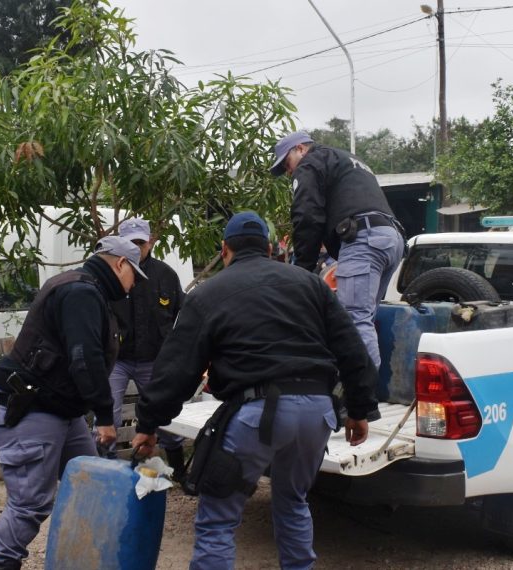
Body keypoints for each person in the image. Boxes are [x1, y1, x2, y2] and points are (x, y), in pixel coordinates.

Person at [131, 211, 378, 569]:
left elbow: (176, 369)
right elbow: (352, 350)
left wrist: (149, 423)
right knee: (293, 502)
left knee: (218, 518)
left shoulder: (209, 294)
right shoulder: (310, 284)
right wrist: (359, 409)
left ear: (225, 250)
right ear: (268, 248)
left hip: (255, 414)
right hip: (315, 412)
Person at [0, 235, 147, 570]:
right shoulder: (81, 292)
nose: (133, 285)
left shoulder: (85, 288)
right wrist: (104, 416)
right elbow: (83, 359)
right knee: (30, 502)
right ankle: (1, 564)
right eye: (134, 273)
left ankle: (81, 560)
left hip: (61, 409)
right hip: (32, 407)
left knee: (91, 486)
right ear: (119, 264)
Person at [270, 131, 403, 369]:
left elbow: (307, 216)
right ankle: (362, 391)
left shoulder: (310, 163)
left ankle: (361, 400)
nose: (289, 172)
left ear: (300, 149)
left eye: (286, 164)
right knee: (365, 318)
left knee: (354, 320)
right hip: (390, 238)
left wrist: (303, 269)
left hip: (364, 240)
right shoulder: (347, 158)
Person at [100, 217, 186, 475]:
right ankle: (107, 470)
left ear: (150, 241)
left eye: (141, 242)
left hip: (154, 360)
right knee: (108, 416)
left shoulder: (165, 275)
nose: (137, 248)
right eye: (132, 243)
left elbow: (183, 312)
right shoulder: (113, 273)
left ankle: (179, 470)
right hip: (119, 360)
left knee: (164, 415)